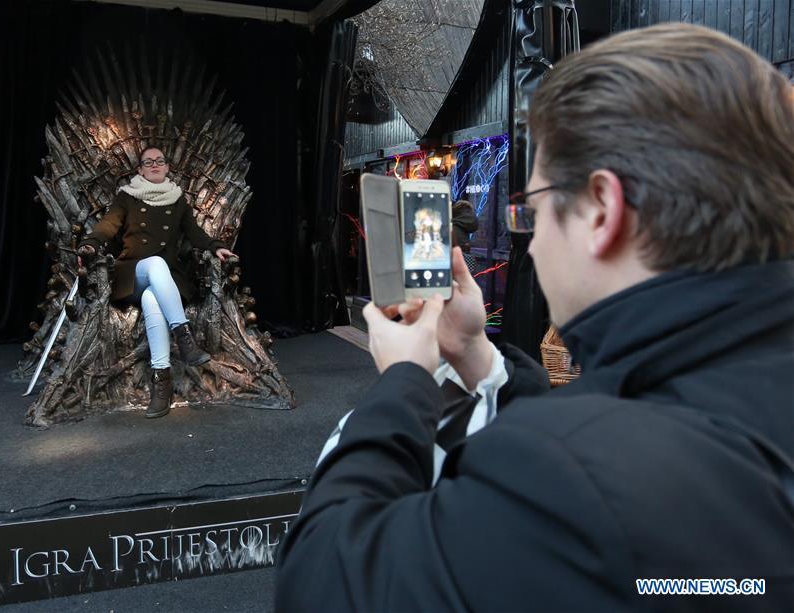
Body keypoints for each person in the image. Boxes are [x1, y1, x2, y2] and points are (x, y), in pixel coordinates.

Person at [276, 23, 794, 611]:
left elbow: (327, 578)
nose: (534, 240)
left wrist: (405, 384)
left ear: (601, 211)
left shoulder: (566, 475)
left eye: (536, 208)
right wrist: (477, 357)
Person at [77, 146, 236, 419]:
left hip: (167, 280)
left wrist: (215, 246)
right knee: (155, 263)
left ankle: (161, 382)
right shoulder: (126, 197)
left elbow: (194, 232)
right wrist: (91, 244)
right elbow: (107, 225)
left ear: (166, 168)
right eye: (148, 162)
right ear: (140, 169)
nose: (154, 165)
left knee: (153, 299)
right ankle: (184, 337)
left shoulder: (177, 200)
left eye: (159, 161)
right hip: (132, 273)